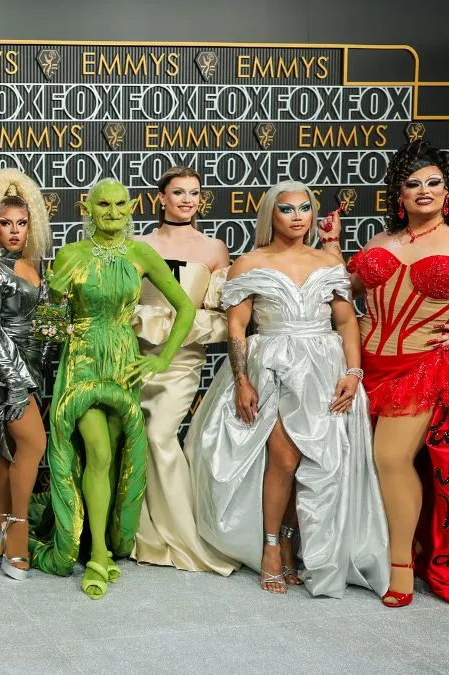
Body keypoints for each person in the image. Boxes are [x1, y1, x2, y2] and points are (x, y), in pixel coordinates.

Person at [188, 180, 388, 598]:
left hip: (323, 366)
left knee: (319, 463)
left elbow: (347, 321)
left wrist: (354, 373)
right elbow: (238, 327)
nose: (298, 216)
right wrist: (242, 380)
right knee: (283, 457)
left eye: (304, 208)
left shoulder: (328, 262)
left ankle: (298, 543)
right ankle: (271, 548)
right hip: (272, 365)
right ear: (270, 215)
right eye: (287, 209)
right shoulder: (249, 263)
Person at [38, 178, 195, 599]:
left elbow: (185, 306)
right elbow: (48, 326)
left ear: (131, 208)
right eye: (103, 204)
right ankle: (98, 555)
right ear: (87, 208)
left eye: (120, 204)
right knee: (99, 452)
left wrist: (161, 357)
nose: (112, 211)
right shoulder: (70, 255)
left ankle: (98, 539)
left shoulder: (142, 253)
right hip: (84, 361)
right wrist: (54, 302)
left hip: (123, 362)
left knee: (107, 460)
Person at [320, 139, 449, 606]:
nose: (424, 191)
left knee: (391, 459)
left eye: (434, 182)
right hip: (363, 363)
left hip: (421, 364)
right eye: (413, 183)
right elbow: (341, 293)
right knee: (357, 466)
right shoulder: (380, 242)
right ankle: (362, 551)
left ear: (447, 189)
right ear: (398, 193)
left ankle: (401, 567)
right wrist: (333, 246)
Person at [130, 166, 237, 575]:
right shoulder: (138, 244)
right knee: (136, 440)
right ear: (161, 197)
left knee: (160, 437)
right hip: (136, 356)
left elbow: (217, 315)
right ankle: (144, 537)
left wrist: (175, 326)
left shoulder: (214, 249)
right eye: (179, 192)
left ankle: (183, 536)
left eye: (194, 193)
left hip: (182, 359)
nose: (188, 200)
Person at [0, 168, 51, 581]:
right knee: (33, 444)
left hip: (33, 366)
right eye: (6, 223)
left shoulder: (33, 264)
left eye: (22, 223)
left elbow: (41, 319)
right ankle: (16, 538)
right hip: (4, 371)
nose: (15, 231)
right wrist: (10, 377)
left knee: (9, 451)